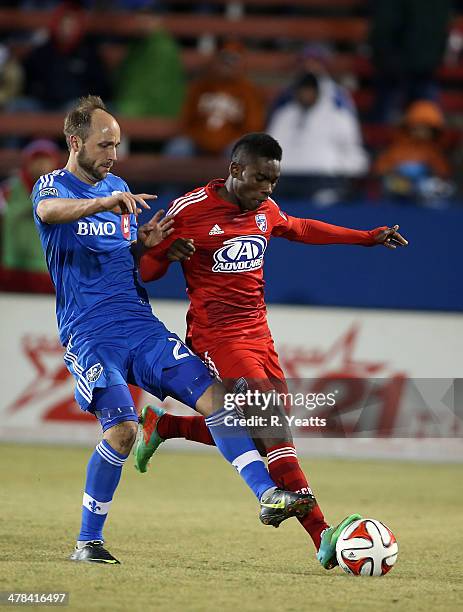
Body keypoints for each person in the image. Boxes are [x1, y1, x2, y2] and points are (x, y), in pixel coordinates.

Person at [32, 97, 313, 565]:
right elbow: (48, 214)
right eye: (104, 145)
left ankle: (267, 495)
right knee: (122, 432)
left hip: (140, 325)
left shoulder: (119, 186)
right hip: (91, 332)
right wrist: (99, 201)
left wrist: (149, 247)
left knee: (220, 400)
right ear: (75, 142)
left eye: (118, 146)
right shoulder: (54, 185)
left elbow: (129, 263)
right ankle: (88, 542)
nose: (113, 156)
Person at [135, 132, 408, 570]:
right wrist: (164, 254)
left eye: (273, 182)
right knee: (274, 429)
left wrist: (365, 237)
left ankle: (165, 426)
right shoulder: (189, 210)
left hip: (259, 334)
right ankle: (323, 534)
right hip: (217, 338)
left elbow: (301, 228)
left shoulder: (265, 210)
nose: (267, 190)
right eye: (261, 179)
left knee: (265, 434)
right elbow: (147, 270)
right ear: (236, 170)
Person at [266, 72, 368, 204]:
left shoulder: (338, 117)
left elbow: (353, 151)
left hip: (323, 177)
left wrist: (347, 172)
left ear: (318, 92)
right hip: (286, 178)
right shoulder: (284, 115)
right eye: (302, 91)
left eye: (309, 91)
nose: (305, 95)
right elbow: (270, 148)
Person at [165, 41, 265, 157]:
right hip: (197, 144)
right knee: (178, 147)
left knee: (240, 151)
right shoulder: (200, 86)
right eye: (224, 59)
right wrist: (201, 138)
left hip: (229, 145)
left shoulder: (248, 91)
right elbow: (186, 120)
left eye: (232, 60)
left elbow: (253, 127)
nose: (227, 65)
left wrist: (224, 139)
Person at [0, 139, 59, 293]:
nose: (41, 165)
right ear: (27, 163)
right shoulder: (9, 189)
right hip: (12, 268)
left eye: (45, 161)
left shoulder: (62, 191)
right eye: (36, 160)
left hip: (44, 270)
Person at [373, 100, 453, 205]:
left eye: (425, 129)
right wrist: (393, 173)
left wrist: (433, 175)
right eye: (417, 128)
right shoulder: (399, 147)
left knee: (437, 186)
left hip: (424, 190)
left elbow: (442, 172)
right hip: (400, 187)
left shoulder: (433, 150)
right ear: (409, 127)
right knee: (391, 184)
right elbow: (382, 168)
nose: (420, 132)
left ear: (433, 131)